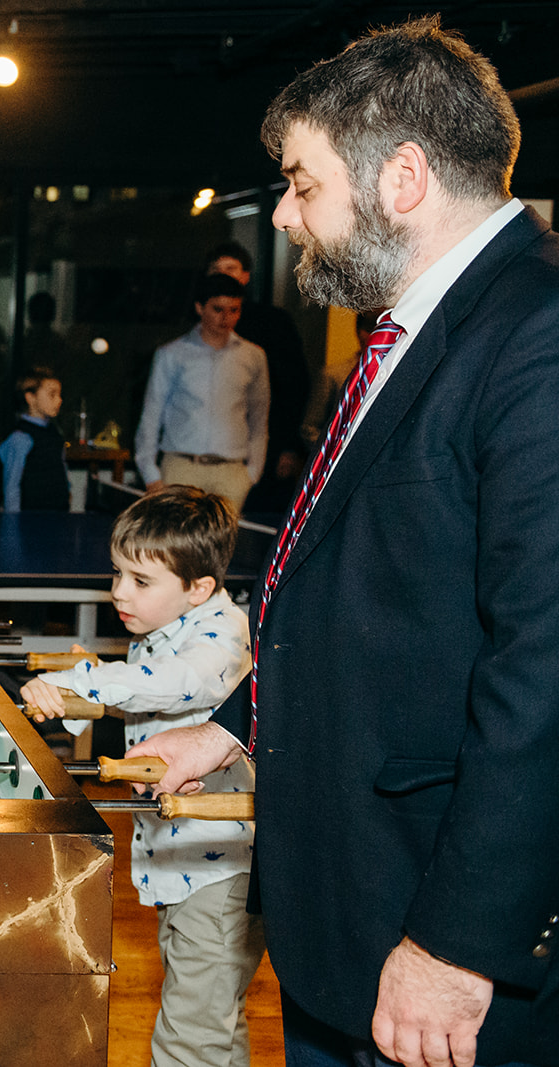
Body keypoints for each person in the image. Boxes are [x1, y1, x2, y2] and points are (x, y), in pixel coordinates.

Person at [127, 17, 559, 1067]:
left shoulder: (536, 336)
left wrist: (459, 941)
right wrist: (229, 726)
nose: (282, 214)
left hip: (433, 925)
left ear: (401, 177)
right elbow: (365, 595)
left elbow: (542, 667)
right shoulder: (415, 326)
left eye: (301, 183)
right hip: (353, 911)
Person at [25, 486, 260, 1067]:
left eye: (140, 580)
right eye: (116, 573)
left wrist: (83, 683)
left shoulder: (222, 636)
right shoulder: (170, 628)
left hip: (222, 873)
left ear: (198, 587)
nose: (118, 592)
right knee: (215, 1025)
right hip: (183, 865)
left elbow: (179, 681)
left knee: (189, 1040)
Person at [133, 273, 270, 510]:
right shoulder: (172, 354)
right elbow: (151, 414)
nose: (226, 317)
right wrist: (150, 473)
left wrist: (252, 472)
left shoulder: (253, 356)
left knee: (225, 546)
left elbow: (260, 417)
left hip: (232, 472)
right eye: (218, 309)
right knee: (177, 544)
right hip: (181, 467)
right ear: (200, 307)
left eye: (234, 310)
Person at [205, 241, 310, 515]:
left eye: (230, 269)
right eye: (216, 270)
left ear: (245, 276)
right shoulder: (197, 327)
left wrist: (289, 446)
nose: (223, 276)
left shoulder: (273, 323)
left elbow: (294, 387)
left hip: (265, 449)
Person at [0, 366, 70, 512]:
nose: (59, 400)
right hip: (30, 519)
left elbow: (62, 466)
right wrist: (12, 524)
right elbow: (11, 486)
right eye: (52, 395)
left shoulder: (54, 432)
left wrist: (67, 491)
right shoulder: (20, 437)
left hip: (58, 514)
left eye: (59, 395)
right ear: (30, 398)